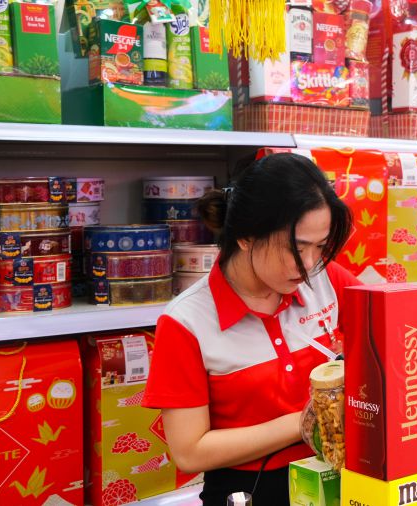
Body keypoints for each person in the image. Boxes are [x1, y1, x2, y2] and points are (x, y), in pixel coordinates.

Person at [142, 153, 358, 505]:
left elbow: (388, 325)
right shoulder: (187, 322)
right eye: (296, 247)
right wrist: (304, 422)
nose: (308, 264)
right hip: (248, 492)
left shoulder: (326, 281)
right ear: (245, 236)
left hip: (337, 479)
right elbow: (190, 452)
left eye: (319, 247)